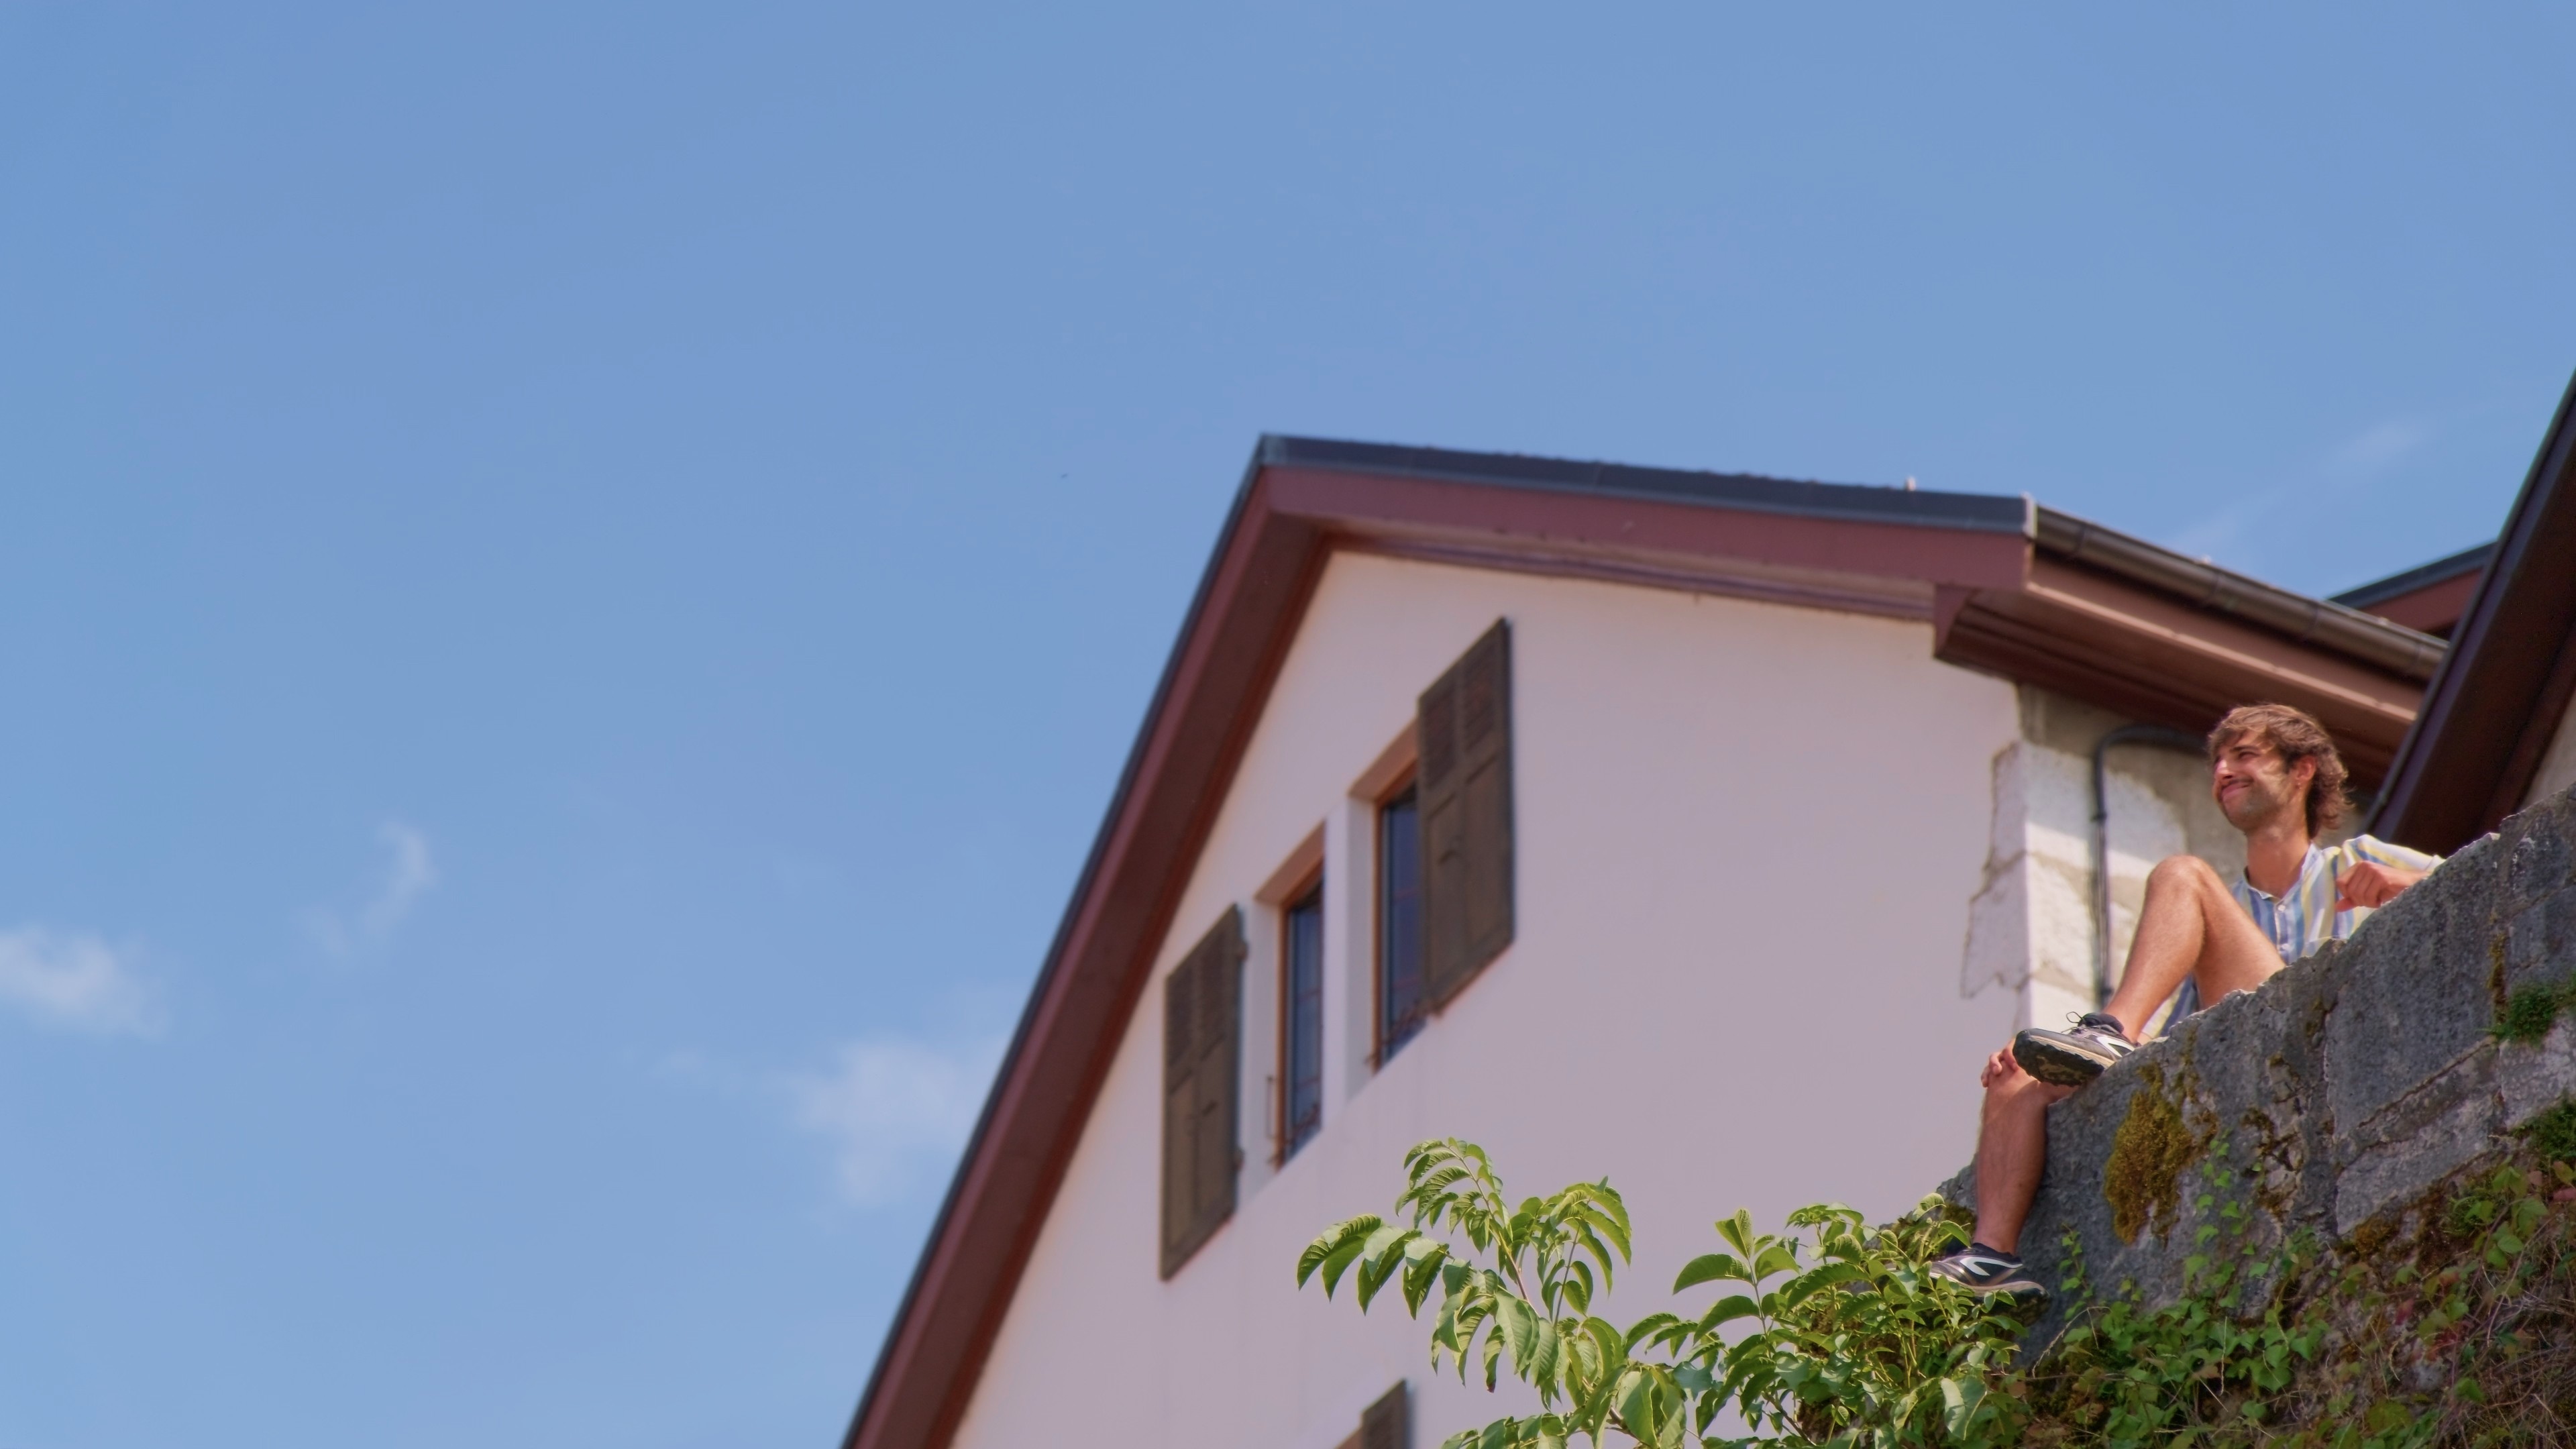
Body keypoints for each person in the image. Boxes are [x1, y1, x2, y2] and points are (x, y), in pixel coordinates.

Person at [1927, 703, 2443, 1299]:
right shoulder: (2215, 916)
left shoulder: (2355, 864)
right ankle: (1993, 1255)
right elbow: (2183, 1036)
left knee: (2181, 873)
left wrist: (2407, 885)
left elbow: (2498, 865)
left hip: (2317, 1042)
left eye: (2245, 755)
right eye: (2218, 761)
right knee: (2017, 1075)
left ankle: (2109, 1029)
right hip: (2238, 1051)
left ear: (2303, 771)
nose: (2223, 770)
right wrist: (2042, 1063)